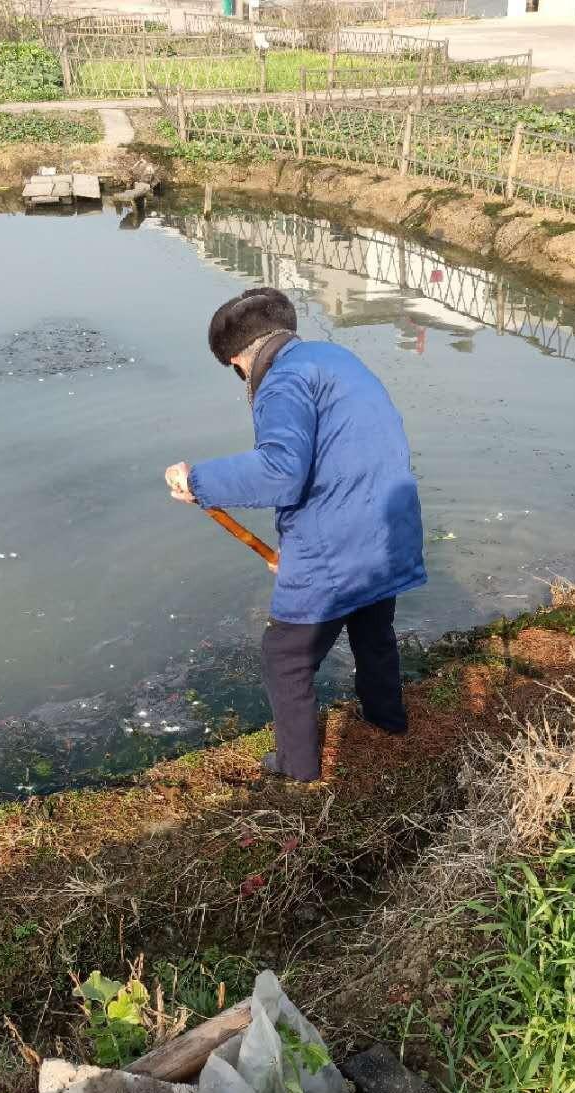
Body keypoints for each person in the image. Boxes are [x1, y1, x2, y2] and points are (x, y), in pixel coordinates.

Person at [164, 286, 426, 782]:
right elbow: (341, 462)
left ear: (240, 358)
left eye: (235, 370)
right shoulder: (335, 359)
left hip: (341, 541)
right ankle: (387, 722)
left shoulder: (281, 382)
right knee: (372, 629)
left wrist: (198, 481)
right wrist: (294, 546)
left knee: (284, 656)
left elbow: (281, 472)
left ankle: (296, 769)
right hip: (386, 530)